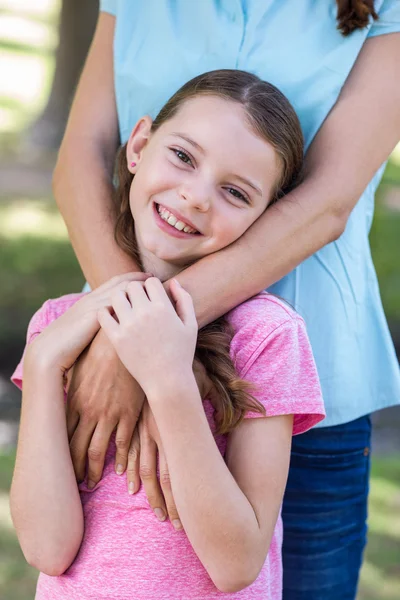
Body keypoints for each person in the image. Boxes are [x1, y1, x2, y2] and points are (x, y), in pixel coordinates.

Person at [51, 1, 400, 599]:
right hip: (111, 365)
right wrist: (122, 332)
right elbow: (80, 155)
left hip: (306, 389)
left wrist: (138, 333)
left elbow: (328, 200)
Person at [10, 70, 324, 600]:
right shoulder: (58, 328)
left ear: (263, 218)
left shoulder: (268, 338)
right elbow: (47, 549)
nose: (196, 196)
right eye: (183, 156)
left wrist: (167, 379)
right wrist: (42, 365)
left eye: (234, 192)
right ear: (139, 146)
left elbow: (237, 564)